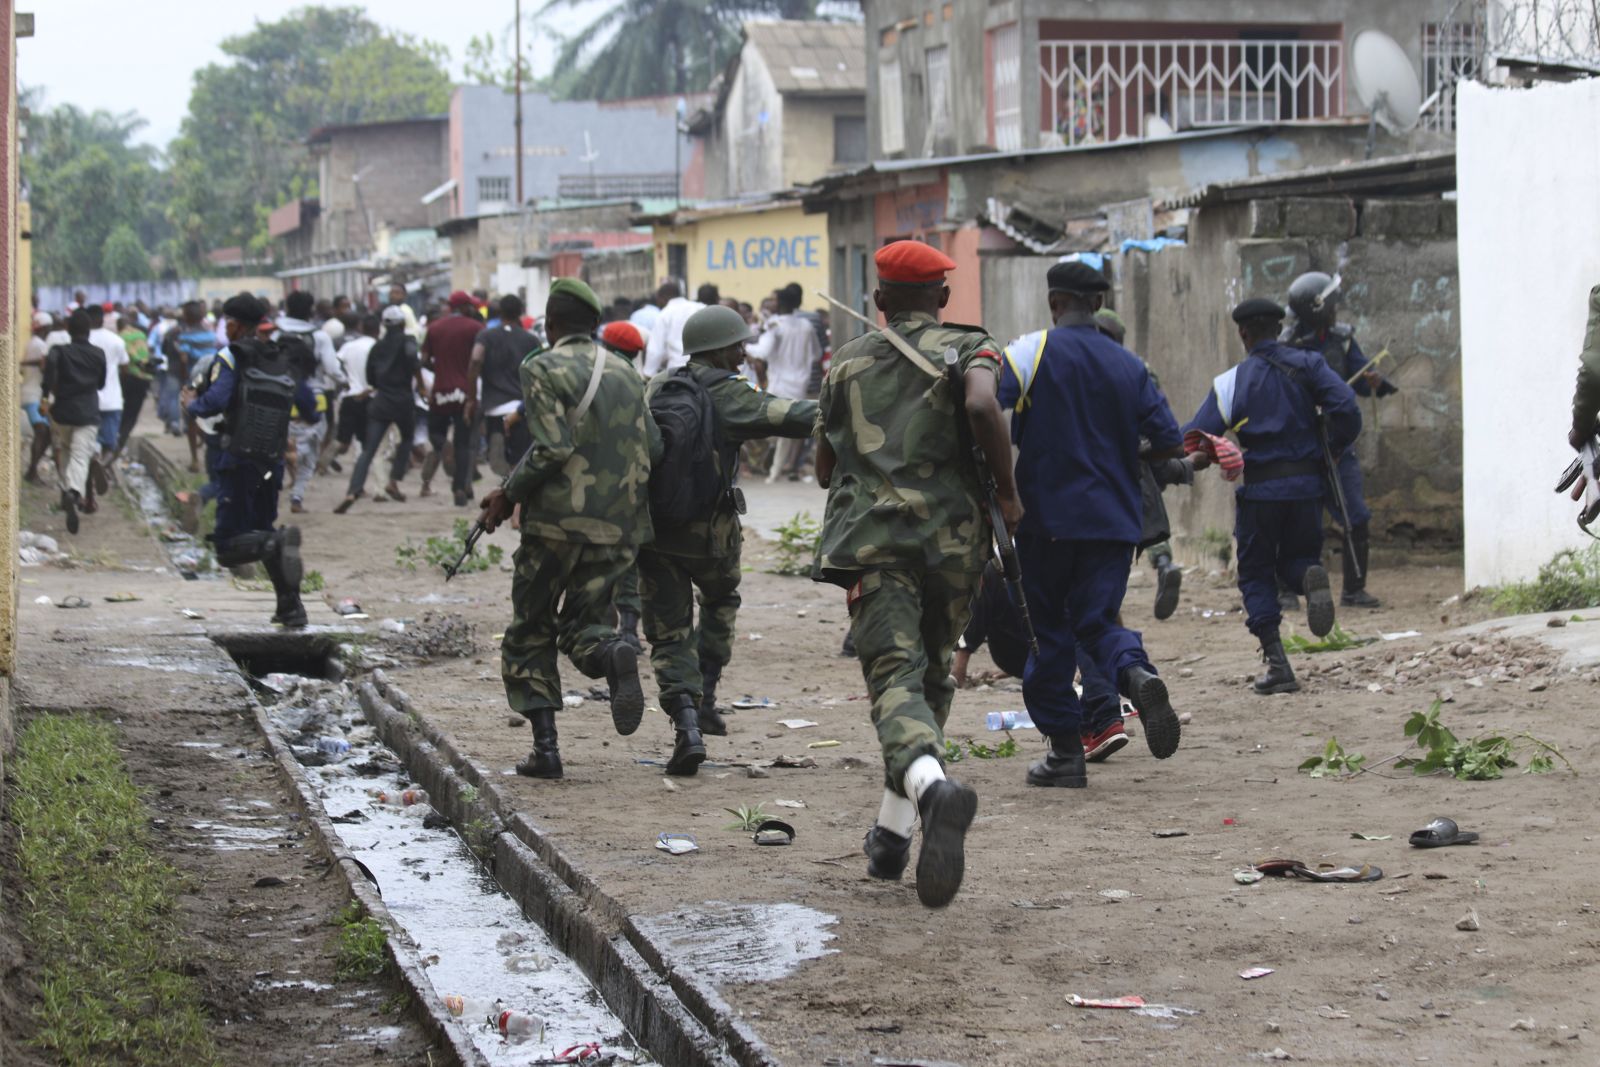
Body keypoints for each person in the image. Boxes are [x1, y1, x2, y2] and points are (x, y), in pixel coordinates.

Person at [814, 240, 1016, 909]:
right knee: (928, 682)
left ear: (879, 300)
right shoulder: (973, 347)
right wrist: (1008, 493)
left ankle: (932, 793)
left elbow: (824, 467)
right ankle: (892, 839)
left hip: (877, 546)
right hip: (955, 547)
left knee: (895, 683)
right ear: (943, 297)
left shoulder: (846, 362)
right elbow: (983, 407)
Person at [998, 261, 1184, 791]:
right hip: (1115, 523)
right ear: (1099, 303)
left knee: (1047, 632)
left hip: (1048, 520)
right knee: (1097, 623)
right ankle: (1136, 674)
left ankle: (1064, 752)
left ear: (1054, 302)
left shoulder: (1029, 352)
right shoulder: (1130, 364)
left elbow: (986, 405)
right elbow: (1169, 441)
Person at [473, 279, 659, 780]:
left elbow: (552, 447)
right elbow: (655, 446)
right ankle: (613, 651)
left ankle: (546, 750)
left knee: (530, 628)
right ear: (595, 324)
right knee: (586, 624)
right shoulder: (626, 371)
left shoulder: (541, 367)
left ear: (550, 325)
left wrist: (508, 493)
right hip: (616, 526)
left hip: (555, 525)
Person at [638, 304, 818, 775]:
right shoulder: (730, 393)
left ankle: (686, 725)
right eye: (737, 345)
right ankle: (707, 698)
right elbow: (792, 416)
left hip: (656, 531)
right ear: (717, 349)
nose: (743, 353)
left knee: (668, 633)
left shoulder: (658, 385)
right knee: (720, 601)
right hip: (710, 534)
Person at [1185, 298, 1361, 694]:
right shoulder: (1310, 363)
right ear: (1279, 329)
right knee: (1299, 558)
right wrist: (1333, 446)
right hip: (1308, 486)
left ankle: (1279, 665)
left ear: (1243, 333)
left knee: (1256, 573)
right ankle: (1308, 577)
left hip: (1261, 489)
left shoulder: (1231, 381)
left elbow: (1198, 433)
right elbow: (1347, 407)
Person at [184, 293, 307, 628]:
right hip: (272, 460)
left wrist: (192, 403)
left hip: (238, 459)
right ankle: (291, 609)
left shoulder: (231, 355)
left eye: (227, 322)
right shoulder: (277, 356)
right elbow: (304, 403)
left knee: (228, 545)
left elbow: (214, 402)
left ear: (235, 325)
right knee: (262, 529)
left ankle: (275, 542)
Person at [1285, 271, 1394, 609]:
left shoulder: (1343, 340)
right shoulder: (1287, 346)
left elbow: (1359, 376)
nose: (1335, 311)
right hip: (1300, 448)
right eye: (1331, 306)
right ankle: (1286, 589)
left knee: (1355, 515)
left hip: (1338, 444)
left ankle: (1353, 589)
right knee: (1293, 519)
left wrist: (1374, 381)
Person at [337, 309, 418, 511]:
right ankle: (394, 480)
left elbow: (371, 378)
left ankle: (352, 490)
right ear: (402, 324)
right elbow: (412, 359)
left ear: (385, 325)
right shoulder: (408, 341)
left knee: (368, 450)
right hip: (403, 401)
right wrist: (420, 383)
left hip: (381, 402)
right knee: (407, 439)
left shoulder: (378, 346)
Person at [747, 283, 822, 484]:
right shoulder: (806, 326)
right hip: (799, 386)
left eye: (773, 300)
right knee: (787, 432)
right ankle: (775, 471)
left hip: (778, 385)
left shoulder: (775, 325)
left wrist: (743, 347)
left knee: (770, 427)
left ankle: (772, 470)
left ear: (779, 303)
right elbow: (816, 354)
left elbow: (762, 352)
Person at [42, 310, 106, 535]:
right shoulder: (98, 354)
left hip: (62, 413)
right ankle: (74, 492)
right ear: (89, 330)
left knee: (66, 452)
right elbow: (101, 384)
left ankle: (69, 489)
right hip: (87, 413)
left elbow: (49, 377)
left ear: (68, 330)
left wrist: (44, 397)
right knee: (80, 455)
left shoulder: (58, 352)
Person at [422, 290, 486, 507]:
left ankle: (443, 445)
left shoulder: (434, 327)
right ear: (465, 307)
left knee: (435, 432)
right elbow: (480, 360)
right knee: (463, 443)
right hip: (466, 393)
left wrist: (439, 369)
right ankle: (459, 488)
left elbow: (424, 360)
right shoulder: (476, 328)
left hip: (440, 391)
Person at [467, 294, 540, 476]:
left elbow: (475, 360)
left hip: (493, 406)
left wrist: (471, 398)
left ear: (499, 312)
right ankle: (512, 477)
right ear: (521, 312)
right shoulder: (531, 339)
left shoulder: (485, 336)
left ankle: (497, 449)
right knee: (519, 459)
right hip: (520, 408)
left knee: (501, 452)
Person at [167, 301, 221, 472]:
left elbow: (184, 359)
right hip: (211, 379)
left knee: (191, 419)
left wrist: (184, 379)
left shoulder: (186, 336)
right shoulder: (211, 335)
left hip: (194, 380)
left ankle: (195, 460)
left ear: (187, 317)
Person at [85, 304, 128, 477]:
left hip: (88, 400)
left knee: (88, 443)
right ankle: (102, 465)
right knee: (110, 445)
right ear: (102, 319)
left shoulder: (81, 340)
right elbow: (125, 368)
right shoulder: (116, 340)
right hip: (112, 399)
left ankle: (92, 470)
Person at [643, 281, 717, 377]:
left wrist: (648, 374)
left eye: (658, 300)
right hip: (705, 370)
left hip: (677, 372)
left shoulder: (664, 314)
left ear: (663, 298)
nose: (658, 304)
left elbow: (655, 350)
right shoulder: (700, 308)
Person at [115, 314, 155, 455]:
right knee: (132, 414)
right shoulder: (141, 334)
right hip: (144, 378)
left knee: (123, 411)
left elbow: (127, 358)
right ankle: (121, 442)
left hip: (129, 377)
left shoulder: (120, 337)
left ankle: (117, 443)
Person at [22, 311, 55, 483]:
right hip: (34, 395)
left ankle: (32, 470)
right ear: (46, 327)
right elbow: (43, 365)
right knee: (42, 431)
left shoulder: (32, 343)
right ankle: (32, 472)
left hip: (40, 396)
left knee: (47, 433)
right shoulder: (41, 345)